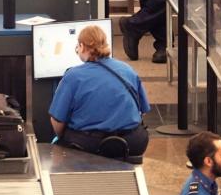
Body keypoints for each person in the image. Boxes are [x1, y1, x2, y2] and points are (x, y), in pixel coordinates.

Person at [49, 24, 150, 158]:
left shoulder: (73, 76)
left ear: (82, 46)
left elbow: (57, 122)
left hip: (87, 146)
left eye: (77, 47)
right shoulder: (127, 70)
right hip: (131, 143)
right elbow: (142, 111)